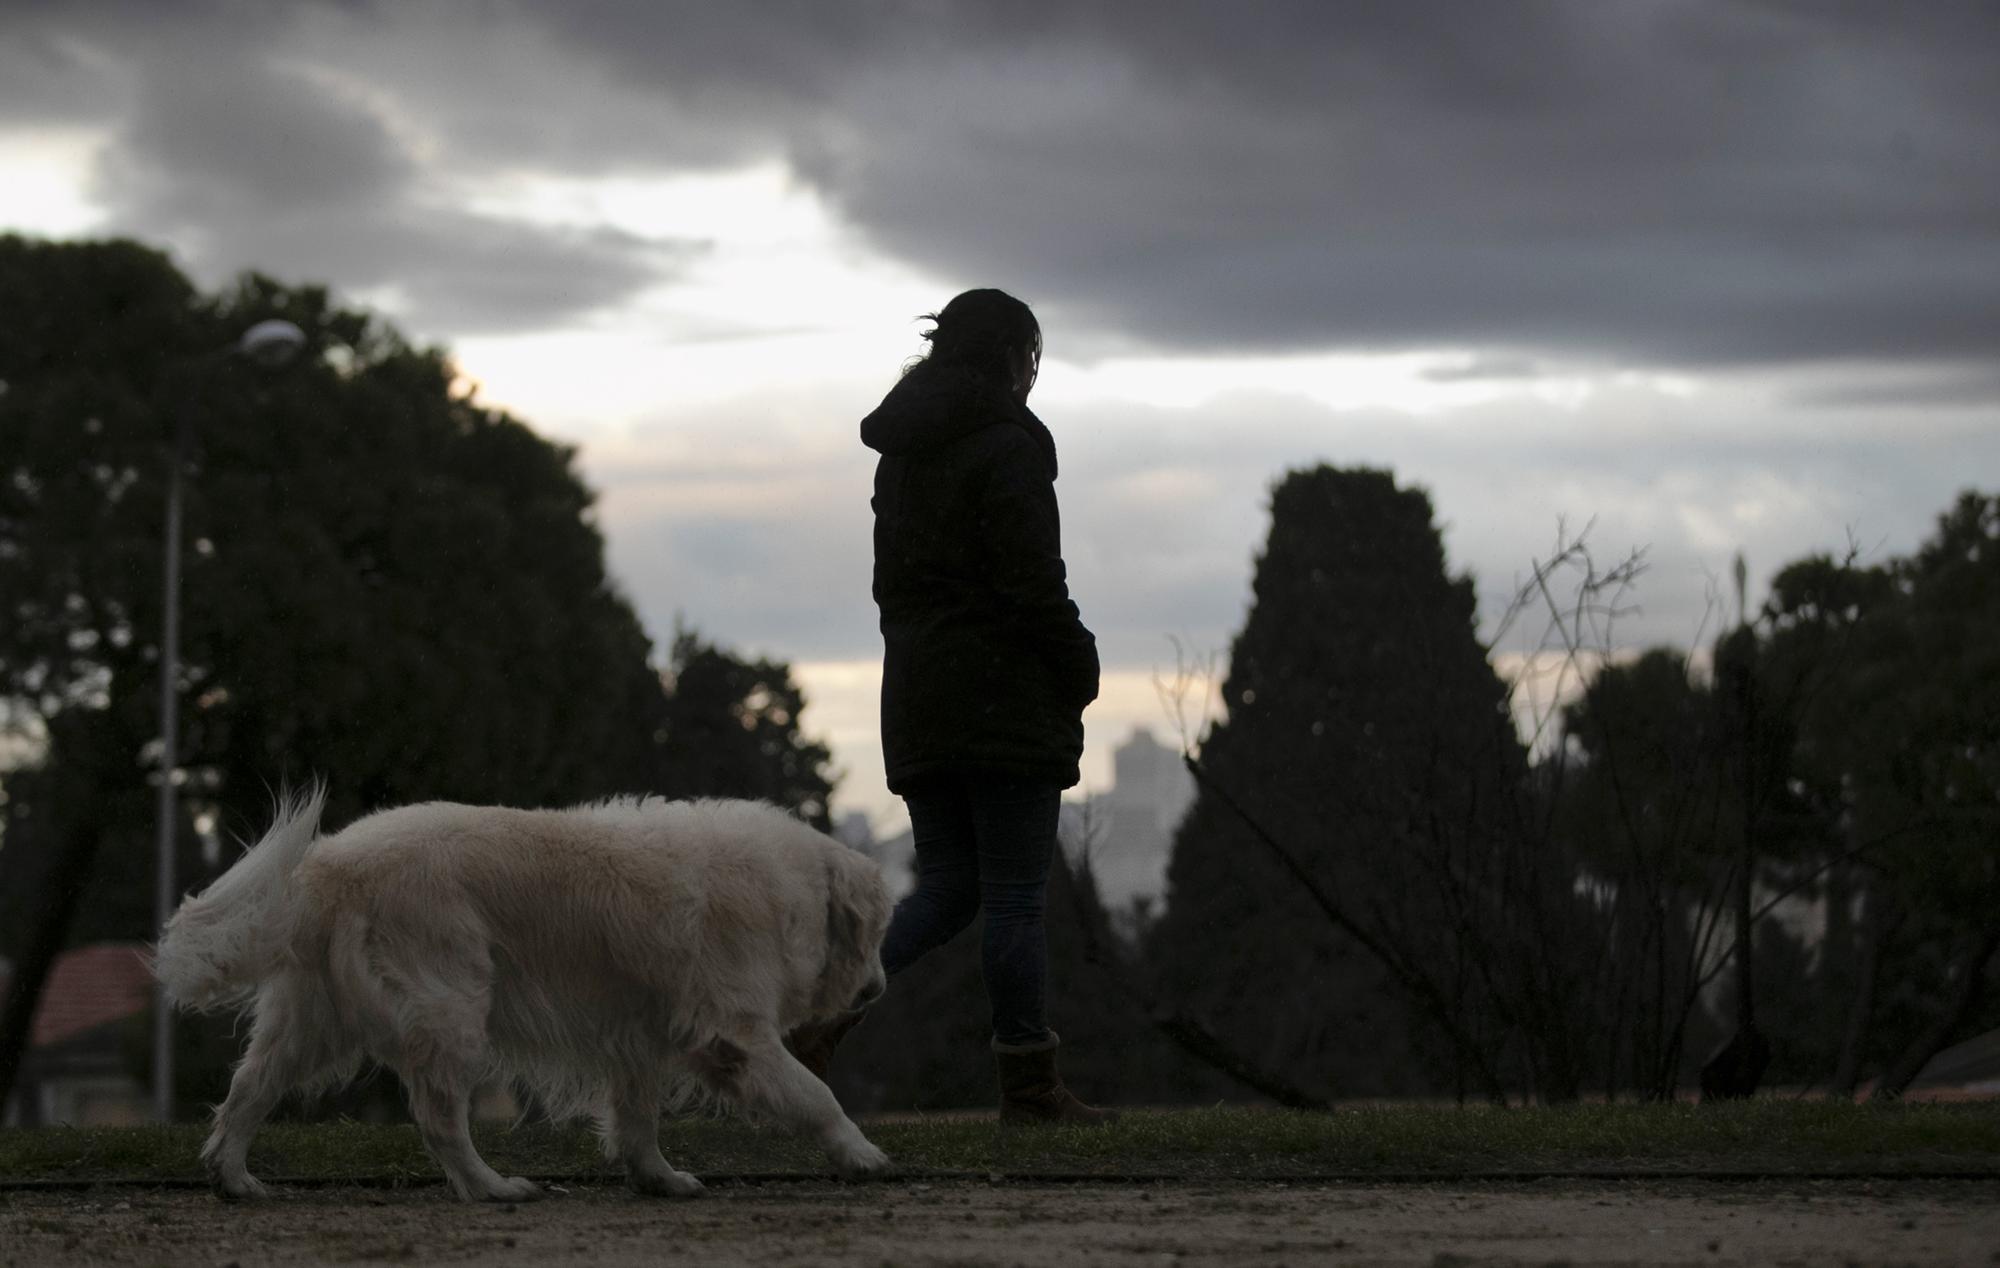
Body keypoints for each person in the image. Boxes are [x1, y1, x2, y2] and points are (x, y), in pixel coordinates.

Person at [789, 288, 1112, 1124]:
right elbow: (1033, 581)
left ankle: (820, 1020)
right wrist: (1079, 664)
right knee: (1012, 898)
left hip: (922, 700)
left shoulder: (901, 451)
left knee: (948, 891)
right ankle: (1031, 1088)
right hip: (1004, 702)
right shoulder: (1008, 444)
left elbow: (890, 585)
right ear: (1014, 359)